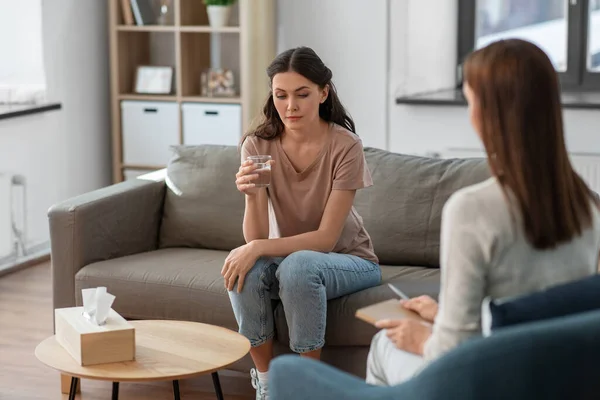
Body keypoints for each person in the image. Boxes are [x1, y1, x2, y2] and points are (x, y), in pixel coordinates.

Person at [366, 38, 600, 386]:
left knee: (383, 343)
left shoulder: (472, 210)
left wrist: (422, 339)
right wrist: (443, 314)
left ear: (489, 114)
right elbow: (533, 313)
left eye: (471, 102)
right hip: (557, 380)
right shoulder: (585, 203)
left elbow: (452, 351)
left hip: (489, 383)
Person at [222, 46, 381, 399]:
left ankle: (305, 388)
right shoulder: (258, 145)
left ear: (323, 93)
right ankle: (267, 385)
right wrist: (251, 195)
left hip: (351, 260)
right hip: (289, 257)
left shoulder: (345, 146)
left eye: (302, 94)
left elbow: (325, 239)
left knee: (298, 267)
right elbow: (257, 235)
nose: (290, 106)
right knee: (243, 266)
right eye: (281, 95)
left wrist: (258, 248)